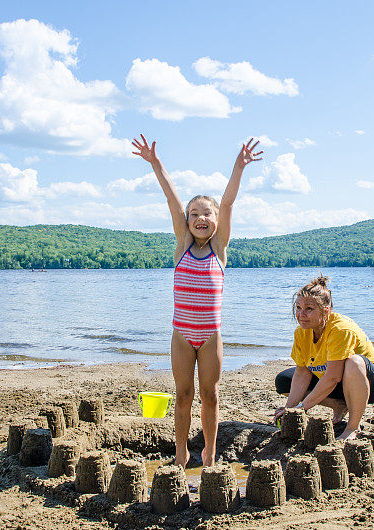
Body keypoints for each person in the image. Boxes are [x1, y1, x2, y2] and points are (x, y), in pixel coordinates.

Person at [132, 135, 262, 467]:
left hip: (210, 338)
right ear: (187, 221)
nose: (200, 217)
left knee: (210, 396)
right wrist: (155, 164)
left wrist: (239, 165)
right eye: (194, 214)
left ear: (217, 221)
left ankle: (209, 452)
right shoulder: (182, 247)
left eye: (207, 213)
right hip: (181, 336)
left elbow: (228, 202)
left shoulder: (220, 250)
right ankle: (179, 453)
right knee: (183, 396)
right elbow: (172, 200)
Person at [273, 276, 374, 441]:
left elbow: (333, 377)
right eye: (298, 307)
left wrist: (301, 407)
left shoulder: (340, 329)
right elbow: (302, 373)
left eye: (309, 309)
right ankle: (339, 405)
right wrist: (290, 410)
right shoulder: (301, 332)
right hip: (338, 384)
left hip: (372, 384)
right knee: (284, 381)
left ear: (325, 310)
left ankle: (352, 427)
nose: (301, 314)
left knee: (353, 362)